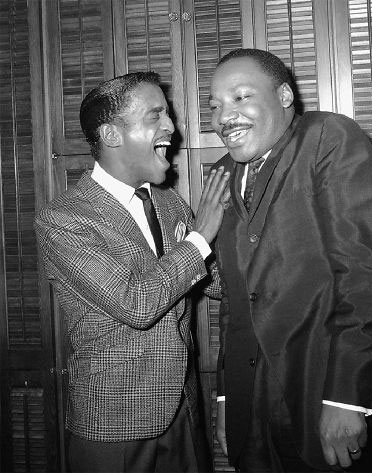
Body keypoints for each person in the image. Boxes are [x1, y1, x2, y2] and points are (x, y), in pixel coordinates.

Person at [208, 48, 372, 472]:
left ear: (283, 95)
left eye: (241, 97)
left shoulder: (328, 137)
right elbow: (235, 301)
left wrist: (345, 397)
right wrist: (227, 397)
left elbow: (366, 274)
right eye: (216, 106)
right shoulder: (221, 172)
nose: (225, 117)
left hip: (322, 388)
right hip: (252, 407)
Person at [34, 71, 231, 472]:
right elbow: (137, 303)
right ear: (111, 135)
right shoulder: (63, 219)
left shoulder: (170, 202)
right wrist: (201, 236)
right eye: (155, 115)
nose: (172, 127)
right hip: (113, 424)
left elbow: (210, 282)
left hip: (184, 410)